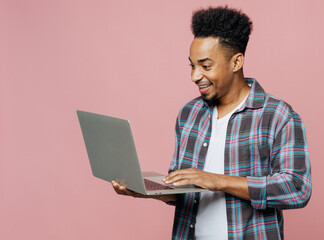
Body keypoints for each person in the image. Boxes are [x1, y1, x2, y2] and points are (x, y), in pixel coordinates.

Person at [112, 6, 311, 240]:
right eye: (192, 65)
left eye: (206, 66)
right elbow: (185, 192)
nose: (195, 76)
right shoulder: (189, 113)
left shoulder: (277, 115)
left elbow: (297, 189)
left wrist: (217, 181)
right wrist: (147, 192)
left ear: (236, 62)